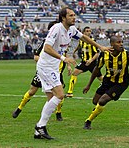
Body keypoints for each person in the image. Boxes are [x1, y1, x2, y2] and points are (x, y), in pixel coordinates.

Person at [34, 7, 111, 140]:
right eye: (71, 15)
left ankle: (39, 129)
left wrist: (100, 47)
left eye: (74, 15)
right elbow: (46, 48)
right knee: (60, 95)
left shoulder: (72, 30)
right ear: (63, 18)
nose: (74, 18)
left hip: (52, 67)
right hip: (46, 66)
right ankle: (40, 127)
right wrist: (64, 58)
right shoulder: (57, 28)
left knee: (52, 97)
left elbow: (84, 38)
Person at [12, 21, 69, 122]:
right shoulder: (46, 43)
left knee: (59, 94)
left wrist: (68, 65)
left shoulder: (62, 42)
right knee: (32, 90)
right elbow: (36, 56)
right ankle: (19, 108)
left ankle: (58, 113)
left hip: (57, 72)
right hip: (44, 71)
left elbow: (65, 55)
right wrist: (45, 62)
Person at [65, 26, 103, 98]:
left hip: (92, 63)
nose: (88, 32)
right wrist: (74, 52)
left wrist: (91, 60)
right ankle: (70, 92)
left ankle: (108, 89)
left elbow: (97, 53)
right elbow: (79, 46)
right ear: (83, 32)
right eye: (87, 31)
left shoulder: (92, 41)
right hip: (84, 62)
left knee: (100, 78)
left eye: (89, 31)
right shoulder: (81, 40)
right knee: (74, 73)